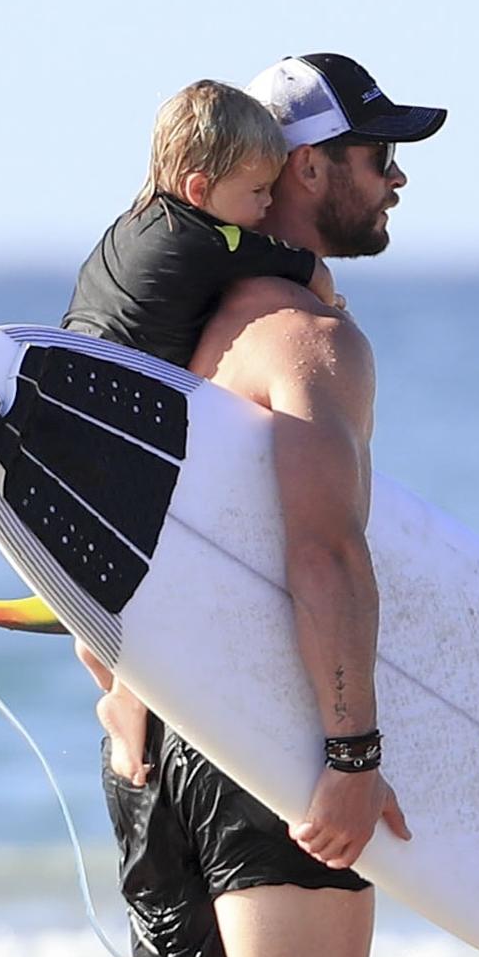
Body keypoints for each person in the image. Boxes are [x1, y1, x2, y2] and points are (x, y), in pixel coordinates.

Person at [73, 52, 446, 957]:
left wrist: (119, 701)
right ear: (309, 167)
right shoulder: (307, 339)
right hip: (267, 756)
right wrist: (352, 757)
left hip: (150, 749)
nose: (398, 178)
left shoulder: (166, 330)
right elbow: (324, 555)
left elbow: (98, 518)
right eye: (379, 155)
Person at [62, 77, 340, 785]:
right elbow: (303, 268)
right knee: (142, 577)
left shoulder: (131, 225)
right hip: (117, 430)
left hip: (69, 409)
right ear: (197, 186)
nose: (263, 210)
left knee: (111, 589)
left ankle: (111, 677)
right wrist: (320, 283)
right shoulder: (208, 242)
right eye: (255, 194)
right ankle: (125, 702)